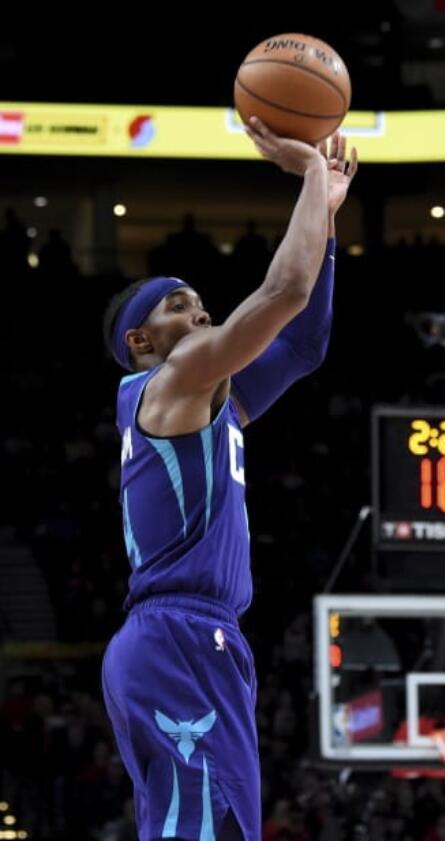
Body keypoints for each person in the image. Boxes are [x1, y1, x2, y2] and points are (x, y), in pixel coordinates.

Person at [100, 117, 358, 841]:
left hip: (201, 637)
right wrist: (309, 177)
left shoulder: (216, 400)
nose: (202, 311)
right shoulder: (171, 380)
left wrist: (327, 220)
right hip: (175, 634)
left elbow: (302, 345)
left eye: (201, 302)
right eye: (178, 306)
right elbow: (283, 291)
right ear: (141, 341)